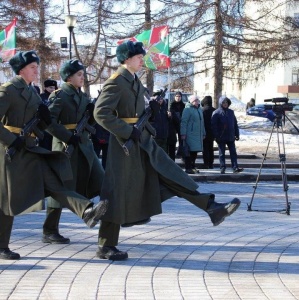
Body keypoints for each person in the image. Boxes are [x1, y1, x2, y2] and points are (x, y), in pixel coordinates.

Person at [93, 41, 241, 261]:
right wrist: (126, 130)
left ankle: (212, 207)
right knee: (116, 192)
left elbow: (135, 112)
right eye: (139, 57)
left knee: (173, 172)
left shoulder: (134, 81)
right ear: (126, 59)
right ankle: (106, 245)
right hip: (124, 146)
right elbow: (101, 113)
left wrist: (151, 110)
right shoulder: (116, 82)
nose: (142, 60)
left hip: (143, 141)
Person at [0, 50, 108, 260]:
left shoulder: (31, 92)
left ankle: (86, 211)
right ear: (21, 69)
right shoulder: (9, 91)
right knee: (6, 199)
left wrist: (69, 137)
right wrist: (12, 139)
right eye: (33, 67)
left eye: (36, 66)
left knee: (54, 183)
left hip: (29, 149)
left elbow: (47, 124)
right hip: (9, 151)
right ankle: (2, 245)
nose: (36, 70)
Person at [42, 59, 106, 244]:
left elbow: (89, 121)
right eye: (79, 74)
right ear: (68, 77)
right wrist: (67, 136)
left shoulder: (82, 95)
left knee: (102, 180)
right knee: (61, 187)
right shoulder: (59, 96)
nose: (82, 77)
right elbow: (48, 122)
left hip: (84, 145)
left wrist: (93, 113)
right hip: (65, 147)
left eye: (82, 74)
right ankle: (49, 230)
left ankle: (106, 219)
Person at [211, 96, 244, 174]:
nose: (225, 104)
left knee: (233, 152)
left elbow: (235, 124)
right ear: (220, 103)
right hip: (221, 136)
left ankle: (235, 167)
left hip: (230, 136)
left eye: (226, 102)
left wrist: (237, 133)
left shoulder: (231, 112)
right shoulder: (216, 112)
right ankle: (222, 167)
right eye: (223, 102)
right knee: (222, 153)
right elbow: (213, 126)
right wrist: (216, 136)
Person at [180, 95, 206, 174]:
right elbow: (184, 122)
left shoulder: (199, 110)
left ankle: (193, 166)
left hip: (198, 134)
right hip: (190, 134)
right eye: (195, 100)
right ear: (191, 101)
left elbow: (202, 122)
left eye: (198, 100)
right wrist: (183, 133)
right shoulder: (187, 109)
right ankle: (188, 167)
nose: (197, 102)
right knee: (189, 151)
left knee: (194, 151)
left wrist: (203, 133)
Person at [168, 91, 185, 159]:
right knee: (173, 140)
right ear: (174, 97)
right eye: (177, 96)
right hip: (173, 124)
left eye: (179, 96)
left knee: (182, 140)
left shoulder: (183, 105)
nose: (178, 98)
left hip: (181, 124)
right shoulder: (171, 105)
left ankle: (180, 154)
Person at [201, 95, 216, 169]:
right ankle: (211, 163)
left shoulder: (203, 110)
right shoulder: (214, 110)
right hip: (212, 132)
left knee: (205, 148)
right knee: (211, 148)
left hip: (204, 131)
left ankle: (206, 163)